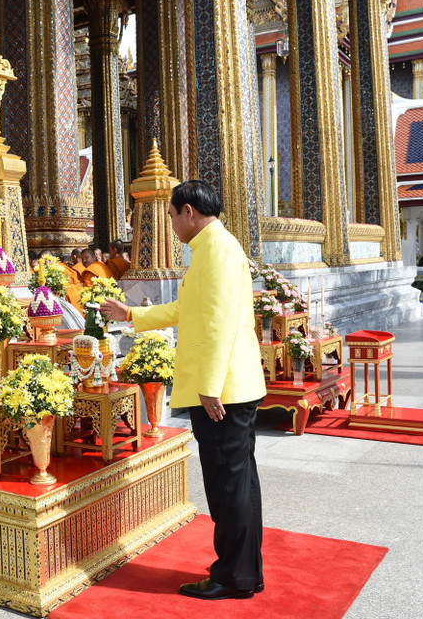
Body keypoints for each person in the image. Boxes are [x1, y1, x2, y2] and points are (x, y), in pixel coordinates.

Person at [101, 180, 266, 600]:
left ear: (188, 211)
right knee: (236, 483)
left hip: (222, 392)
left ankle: (232, 576)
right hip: (226, 387)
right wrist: (131, 313)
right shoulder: (212, 248)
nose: (172, 224)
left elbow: (219, 324)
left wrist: (210, 387)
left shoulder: (219, 251)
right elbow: (187, 310)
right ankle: (242, 572)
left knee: (229, 486)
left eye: (173, 215)